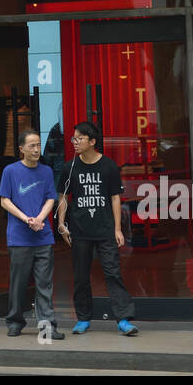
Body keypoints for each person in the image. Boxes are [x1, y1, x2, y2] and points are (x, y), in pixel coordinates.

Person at [56, 121, 138, 336]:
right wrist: (61, 224)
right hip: (79, 231)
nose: (75, 142)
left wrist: (117, 229)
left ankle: (123, 320)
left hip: (105, 230)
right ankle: (83, 319)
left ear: (92, 141)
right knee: (81, 276)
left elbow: (115, 199)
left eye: (79, 138)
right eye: (73, 138)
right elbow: (63, 197)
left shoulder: (109, 166)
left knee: (112, 273)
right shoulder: (69, 167)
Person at [0, 129, 63, 339]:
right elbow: (4, 200)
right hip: (19, 237)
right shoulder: (10, 171)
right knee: (19, 282)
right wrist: (27, 219)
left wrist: (40, 219)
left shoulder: (45, 171)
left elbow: (51, 199)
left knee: (44, 284)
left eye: (38, 145)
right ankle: (15, 321)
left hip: (43, 236)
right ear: (21, 149)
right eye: (31, 146)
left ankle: (47, 328)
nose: (36, 149)